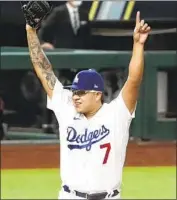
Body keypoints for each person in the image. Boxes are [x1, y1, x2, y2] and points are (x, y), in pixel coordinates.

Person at [25, 11, 151, 199]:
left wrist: (138, 45)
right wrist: (31, 31)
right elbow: (43, 69)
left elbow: (133, 80)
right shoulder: (66, 107)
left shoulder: (117, 113)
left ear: (98, 94)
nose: (75, 97)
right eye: (75, 91)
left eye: (82, 93)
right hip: (71, 196)